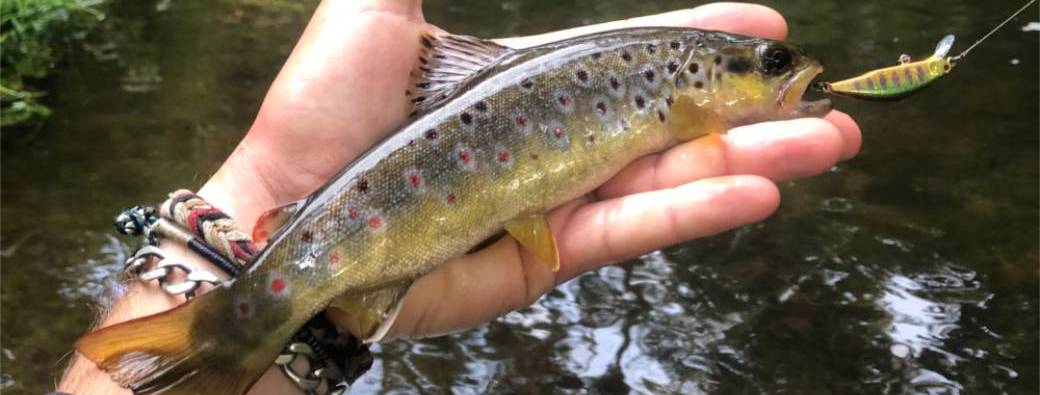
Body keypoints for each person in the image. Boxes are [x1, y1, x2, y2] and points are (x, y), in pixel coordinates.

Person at [58, 1, 861, 393]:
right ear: (703, 83)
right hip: (361, 219)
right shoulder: (691, 102)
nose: (785, 72)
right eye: (768, 63)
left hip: (384, 223)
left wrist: (253, 207)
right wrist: (267, 190)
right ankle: (232, 330)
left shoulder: (690, 103)